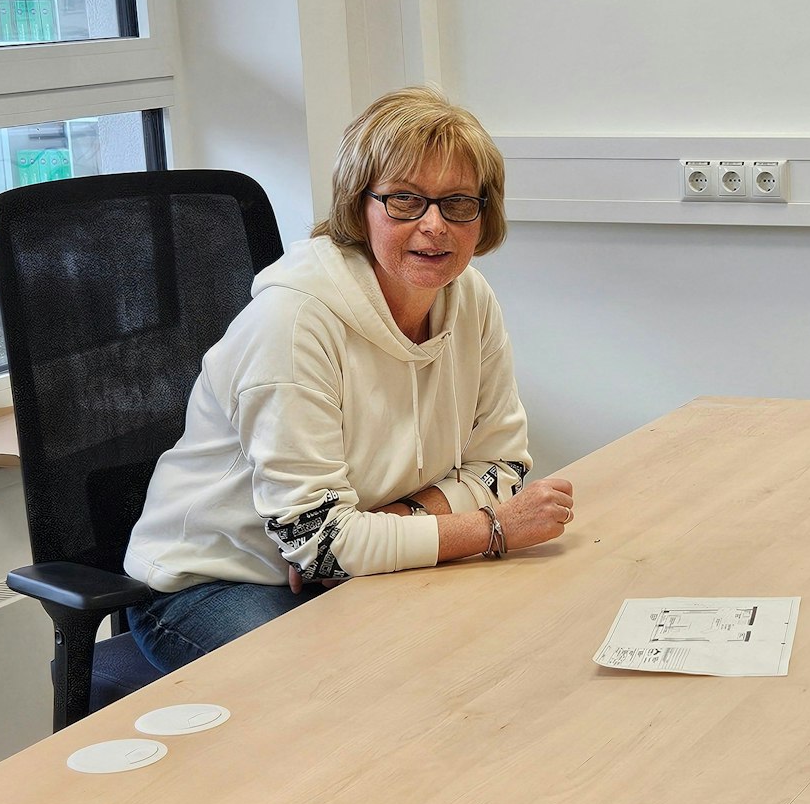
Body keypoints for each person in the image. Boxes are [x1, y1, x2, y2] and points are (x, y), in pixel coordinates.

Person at [124, 88, 575, 672]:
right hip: (217, 585)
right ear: (358, 206)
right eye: (405, 201)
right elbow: (319, 544)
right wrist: (491, 530)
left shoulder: (469, 298)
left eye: (459, 202)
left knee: (498, 646)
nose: (435, 226)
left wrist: (389, 528)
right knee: (352, 688)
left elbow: (502, 467)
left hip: (350, 562)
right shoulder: (292, 321)